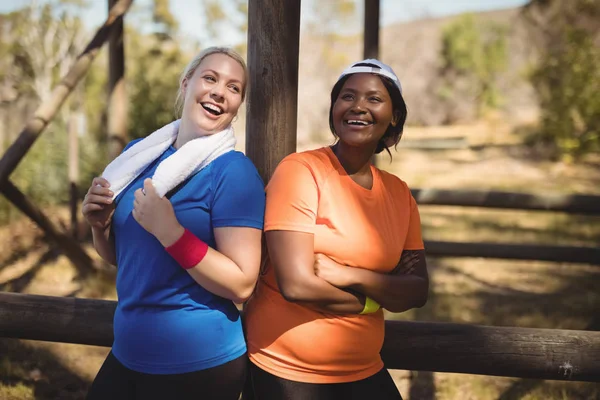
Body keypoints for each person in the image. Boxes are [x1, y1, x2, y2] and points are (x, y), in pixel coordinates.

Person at [82, 47, 265, 400]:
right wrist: (100, 226)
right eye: (210, 78)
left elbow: (242, 285)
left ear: (238, 105)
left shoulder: (234, 173)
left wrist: (172, 233)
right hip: (128, 350)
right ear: (186, 84)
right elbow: (124, 259)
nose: (219, 92)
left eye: (233, 88)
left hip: (198, 363)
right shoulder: (137, 157)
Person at [244, 59, 428, 400]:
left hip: (365, 368)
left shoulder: (399, 193)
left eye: (374, 99)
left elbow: (416, 290)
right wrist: (374, 303)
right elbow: (297, 285)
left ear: (394, 116)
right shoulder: (301, 171)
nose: (358, 106)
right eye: (347, 96)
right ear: (334, 109)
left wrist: (348, 274)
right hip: (287, 370)